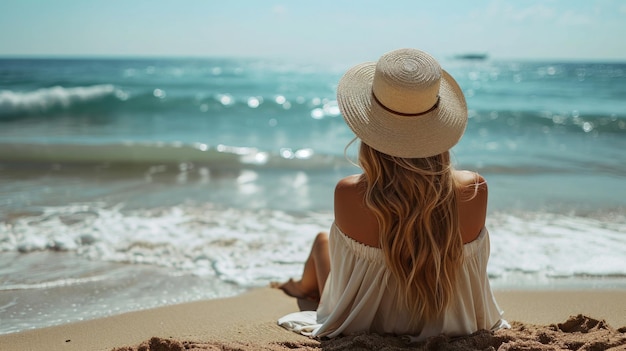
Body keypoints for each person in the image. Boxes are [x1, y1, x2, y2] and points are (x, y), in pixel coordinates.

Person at [271, 48, 508, 341]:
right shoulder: (474, 189)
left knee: (322, 242)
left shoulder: (349, 193)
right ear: (439, 128)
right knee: (324, 244)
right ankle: (298, 285)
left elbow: (345, 283)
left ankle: (297, 287)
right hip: (454, 326)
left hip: (367, 326)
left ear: (368, 129)